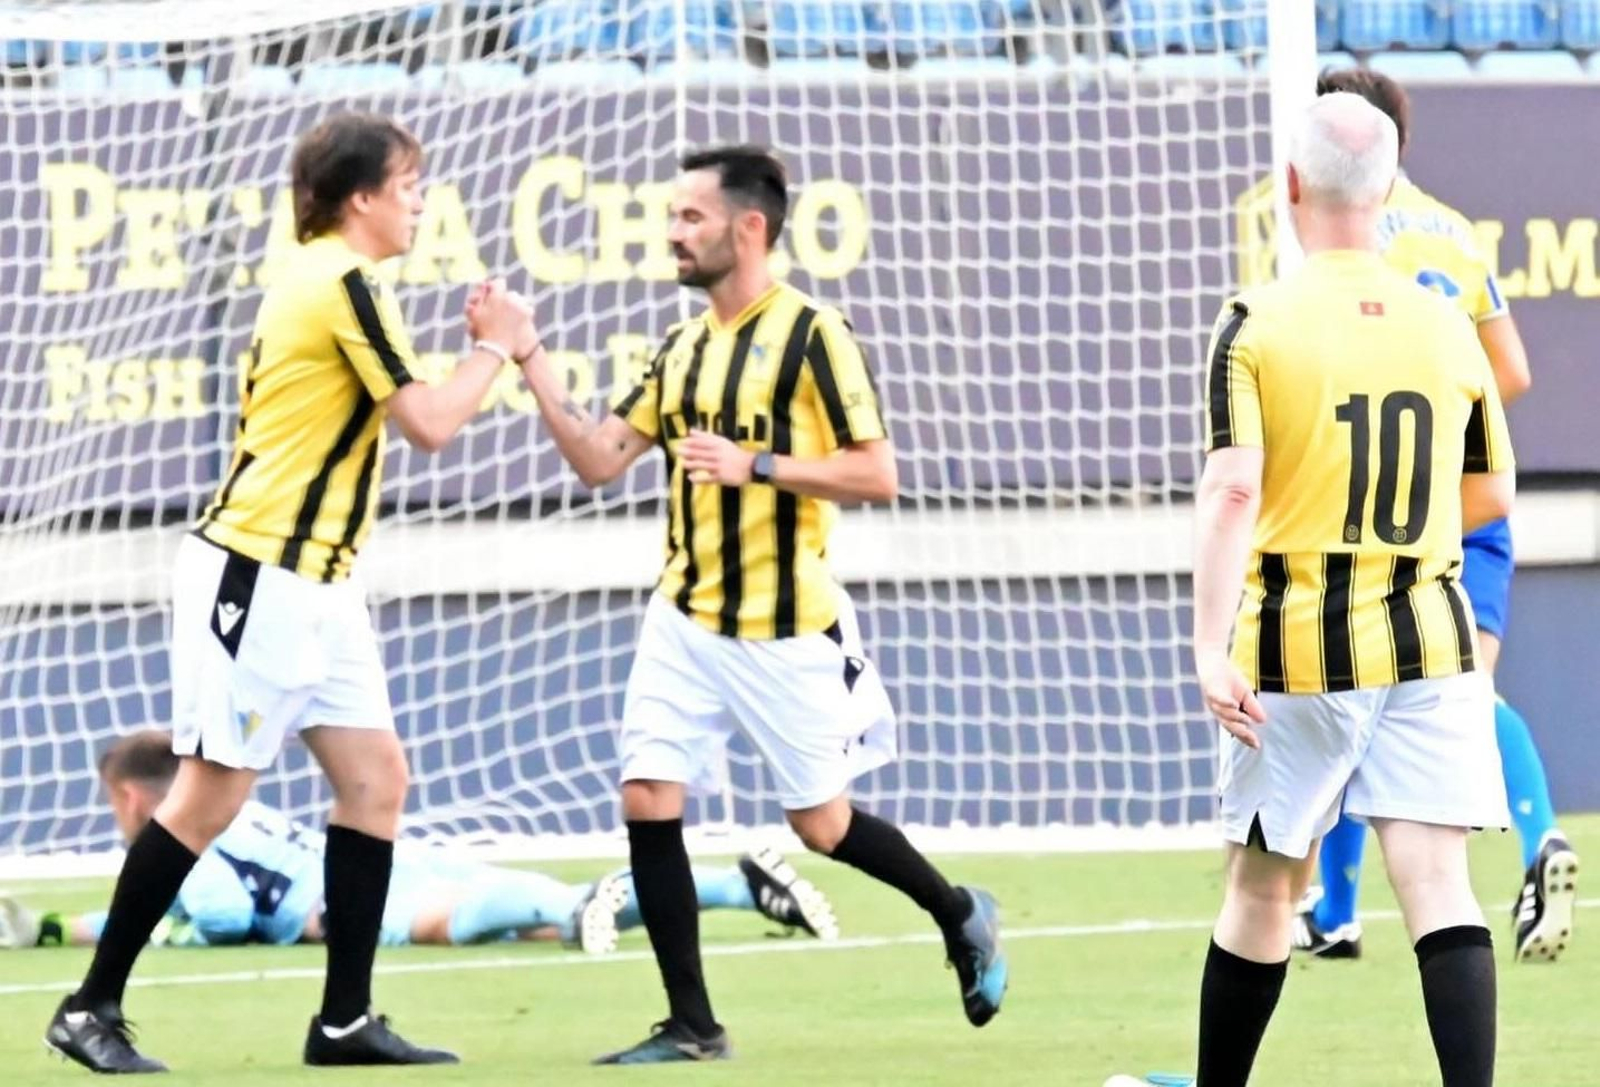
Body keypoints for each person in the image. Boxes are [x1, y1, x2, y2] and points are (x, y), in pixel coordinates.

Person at [43, 111, 539, 1074]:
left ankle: (344, 1021)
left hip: (323, 581)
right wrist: (501, 344)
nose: (421, 202)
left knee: (375, 782)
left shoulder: (330, 280)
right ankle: (88, 1006)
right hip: (258, 570)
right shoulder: (341, 281)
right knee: (208, 800)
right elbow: (431, 421)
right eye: (409, 186)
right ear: (361, 198)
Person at [513, 144, 1007, 1064]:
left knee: (820, 826)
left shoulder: (816, 334)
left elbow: (877, 472)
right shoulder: (681, 348)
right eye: (670, 216)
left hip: (784, 630)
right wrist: (530, 356)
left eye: (690, 216)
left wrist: (759, 466)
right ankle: (693, 1025)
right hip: (683, 617)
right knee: (648, 795)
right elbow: (596, 459)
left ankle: (958, 911)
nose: (672, 231)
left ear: (749, 227)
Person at [1186, 93, 1514, 1087]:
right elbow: (1491, 489)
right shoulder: (1445, 323)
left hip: (1296, 645)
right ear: (1386, 192)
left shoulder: (1255, 322)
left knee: (1261, 889)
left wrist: (1208, 646)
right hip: (1431, 636)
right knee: (1439, 887)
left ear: (1290, 187)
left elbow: (1234, 485)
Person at [1293, 68, 1577, 966]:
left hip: (1375, 505)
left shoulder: (1341, 237)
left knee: (1349, 698)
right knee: (1452, 694)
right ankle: (1527, 848)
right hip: (1469, 493)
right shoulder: (1453, 232)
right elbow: (1516, 370)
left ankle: (1338, 906)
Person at [1, 731, 838, 955]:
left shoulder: (179, 835)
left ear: (128, 796)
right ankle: (734, 883)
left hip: (340, 899)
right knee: (536, 920)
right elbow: (135, 918)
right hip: (382, 849)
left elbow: (216, 913)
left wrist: (185, 929)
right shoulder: (229, 803)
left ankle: (586, 899)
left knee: (465, 918)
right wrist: (49, 927)